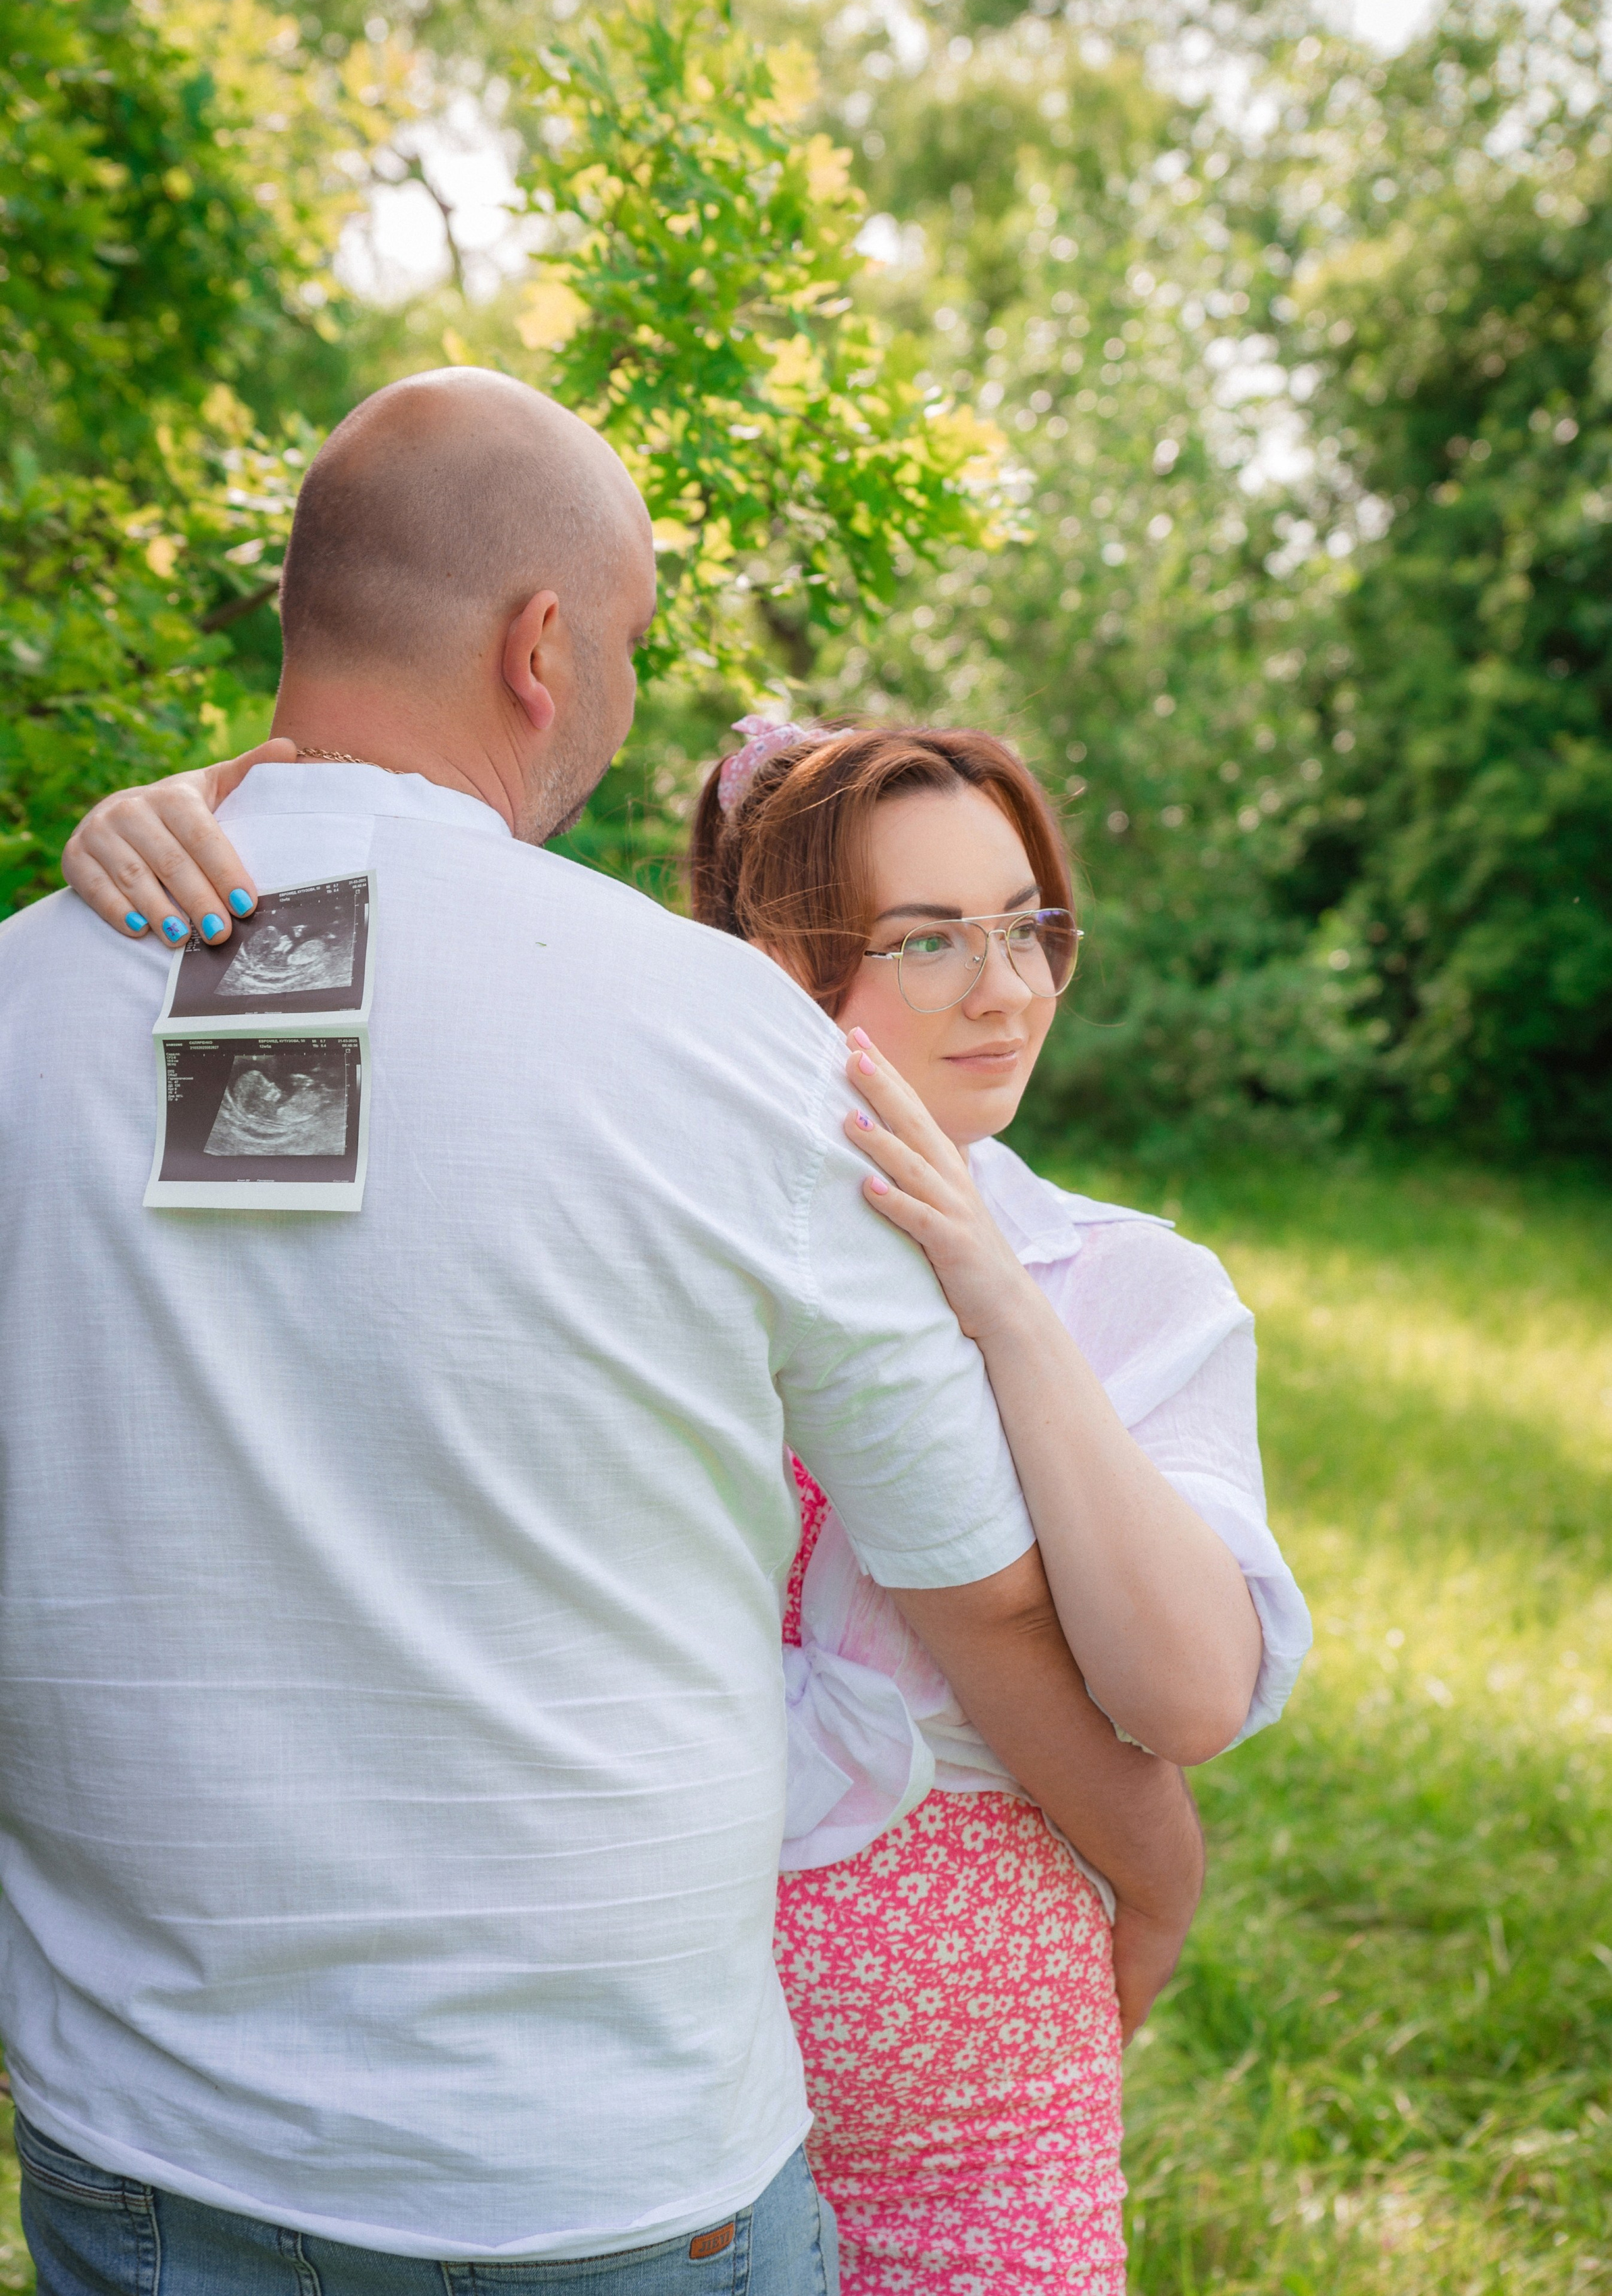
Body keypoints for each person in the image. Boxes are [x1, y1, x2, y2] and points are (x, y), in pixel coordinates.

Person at [3, 367, 1208, 2296]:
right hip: (603, 2176)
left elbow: (279, 1112)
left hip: (141, 2147)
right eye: (634, 646)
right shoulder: (726, 1046)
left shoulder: (44, 990)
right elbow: (980, 1594)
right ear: (541, 645)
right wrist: (1154, 1856)